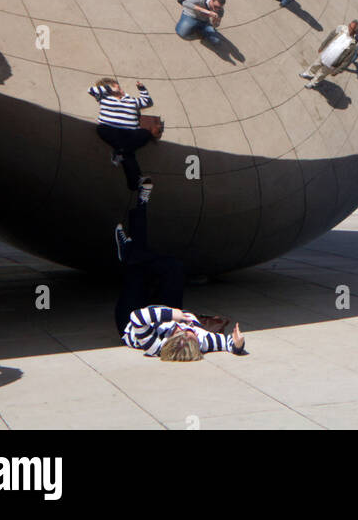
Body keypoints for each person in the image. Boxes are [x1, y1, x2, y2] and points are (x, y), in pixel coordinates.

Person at [115, 191, 245, 360]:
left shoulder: (154, 345)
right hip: (165, 312)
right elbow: (227, 343)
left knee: (136, 271)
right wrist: (237, 344)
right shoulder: (202, 340)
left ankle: (140, 211)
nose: (187, 328)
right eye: (190, 333)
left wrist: (173, 316)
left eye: (181, 331)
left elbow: (138, 318)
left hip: (132, 320)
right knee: (174, 268)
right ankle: (133, 241)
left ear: (168, 342)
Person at [88, 78, 155, 191]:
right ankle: (123, 155)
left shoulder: (131, 100)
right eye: (114, 86)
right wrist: (110, 88)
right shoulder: (104, 98)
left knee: (144, 134)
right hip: (109, 129)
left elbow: (147, 102)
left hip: (130, 133)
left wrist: (142, 89)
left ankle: (121, 155)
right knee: (104, 131)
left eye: (117, 85)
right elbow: (90, 90)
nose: (118, 87)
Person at [300, 19, 358, 87]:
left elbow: (347, 61)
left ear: (355, 32)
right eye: (349, 25)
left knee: (321, 74)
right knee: (316, 64)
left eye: (351, 28)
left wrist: (338, 71)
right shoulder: (341, 28)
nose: (348, 27)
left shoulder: (353, 46)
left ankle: (312, 83)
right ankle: (308, 73)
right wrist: (322, 46)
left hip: (332, 62)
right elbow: (330, 36)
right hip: (326, 53)